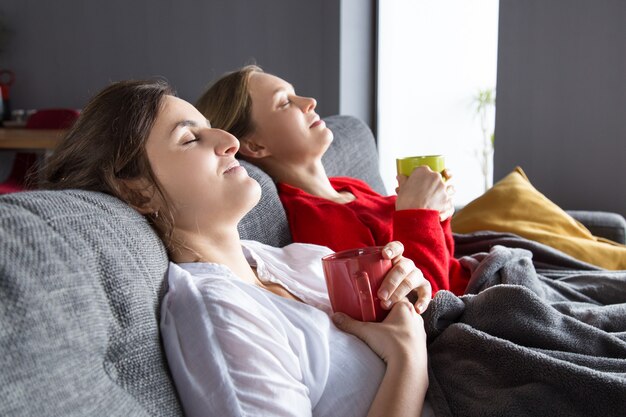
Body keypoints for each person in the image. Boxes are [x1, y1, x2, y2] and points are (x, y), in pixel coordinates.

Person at [39, 79, 435, 417]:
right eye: (190, 138)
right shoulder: (220, 317)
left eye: (211, 128)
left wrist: (408, 295)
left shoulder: (292, 258)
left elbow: (410, 316)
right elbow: (405, 348)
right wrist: (409, 359)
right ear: (138, 191)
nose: (229, 141)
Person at [196, 65, 471, 297]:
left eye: (296, 94)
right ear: (254, 146)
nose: (308, 102)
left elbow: (445, 264)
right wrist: (419, 213)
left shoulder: (349, 186)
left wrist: (438, 213)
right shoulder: (315, 221)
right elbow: (423, 303)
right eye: (284, 103)